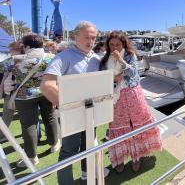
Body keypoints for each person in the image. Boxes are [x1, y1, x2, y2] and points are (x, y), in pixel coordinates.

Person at [40, 21, 109, 184]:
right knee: (69, 151)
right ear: (75, 36)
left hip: (92, 112)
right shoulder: (64, 57)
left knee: (89, 145)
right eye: (87, 37)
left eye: (94, 38)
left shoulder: (96, 58)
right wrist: (69, 106)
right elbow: (46, 85)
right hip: (72, 114)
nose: (91, 41)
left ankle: (87, 172)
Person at [99, 31, 162, 173]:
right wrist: (113, 79)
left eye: (118, 44)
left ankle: (136, 157)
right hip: (116, 97)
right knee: (117, 126)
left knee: (136, 125)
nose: (114, 46)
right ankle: (119, 158)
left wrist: (121, 61)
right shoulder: (104, 60)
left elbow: (134, 72)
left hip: (132, 94)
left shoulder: (129, 55)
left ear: (123, 44)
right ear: (108, 45)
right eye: (112, 44)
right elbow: (102, 78)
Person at [12, 34, 59, 167]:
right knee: (50, 117)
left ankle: (32, 157)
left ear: (26, 46)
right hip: (46, 91)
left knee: (29, 125)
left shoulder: (16, 59)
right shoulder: (51, 57)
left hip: (24, 95)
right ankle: (54, 144)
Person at [0, 41, 24, 143]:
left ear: (18, 50)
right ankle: (2, 135)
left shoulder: (10, 61)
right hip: (16, 93)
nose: (9, 52)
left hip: (17, 93)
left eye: (11, 50)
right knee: (8, 115)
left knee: (8, 115)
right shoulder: (9, 61)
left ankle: (2, 135)